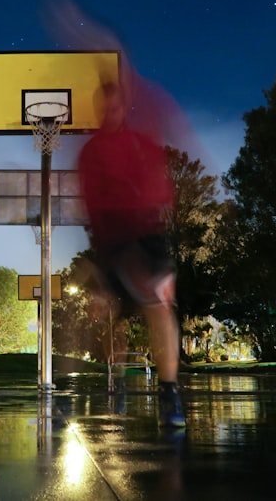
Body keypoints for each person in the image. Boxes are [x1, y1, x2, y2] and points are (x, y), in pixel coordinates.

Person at [76, 80, 186, 428]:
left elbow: (160, 184)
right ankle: (119, 374)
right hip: (111, 239)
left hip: (145, 232)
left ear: (124, 109)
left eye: (116, 108)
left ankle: (169, 391)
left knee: (158, 307)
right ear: (98, 111)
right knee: (114, 316)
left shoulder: (140, 144)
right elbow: (90, 204)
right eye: (105, 108)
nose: (111, 114)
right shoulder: (90, 153)